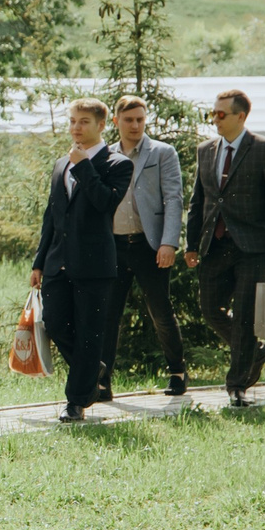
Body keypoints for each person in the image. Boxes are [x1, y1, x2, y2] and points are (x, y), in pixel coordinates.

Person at [183, 87, 265, 408]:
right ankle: (255, 352)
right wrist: (192, 244)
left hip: (254, 246)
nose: (214, 120)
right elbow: (199, 201)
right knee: (209, 309)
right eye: (212, 114)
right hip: (214, 245)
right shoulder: (205, 150)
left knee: (246, 315)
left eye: (221, 114)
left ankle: (237, 387)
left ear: (241, 116)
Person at [30, 98, 136, 421]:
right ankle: (93, 369)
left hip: (94, 263)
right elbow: (52, 215)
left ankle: (75, 403)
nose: (76, 127)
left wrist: (84, 166)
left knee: (90, 332)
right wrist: (38, 261)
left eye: (84, 122)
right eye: (73, 121)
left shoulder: (118, 164)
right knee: (55, 324)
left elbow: (105, 204)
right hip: (57, 262)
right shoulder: (61, 163)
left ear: (102, 125)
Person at [97, 95, 189, 401]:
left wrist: (168, 242)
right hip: (114, 246)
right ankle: (102, 381)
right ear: (116, 122)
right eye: (128, 120)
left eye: (140, 119)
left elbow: (173, 198)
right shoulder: (106, 155)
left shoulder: (162, 153)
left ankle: (177, 371)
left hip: (149, 245)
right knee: (109, 314)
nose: (135, 125)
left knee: (160, 310)